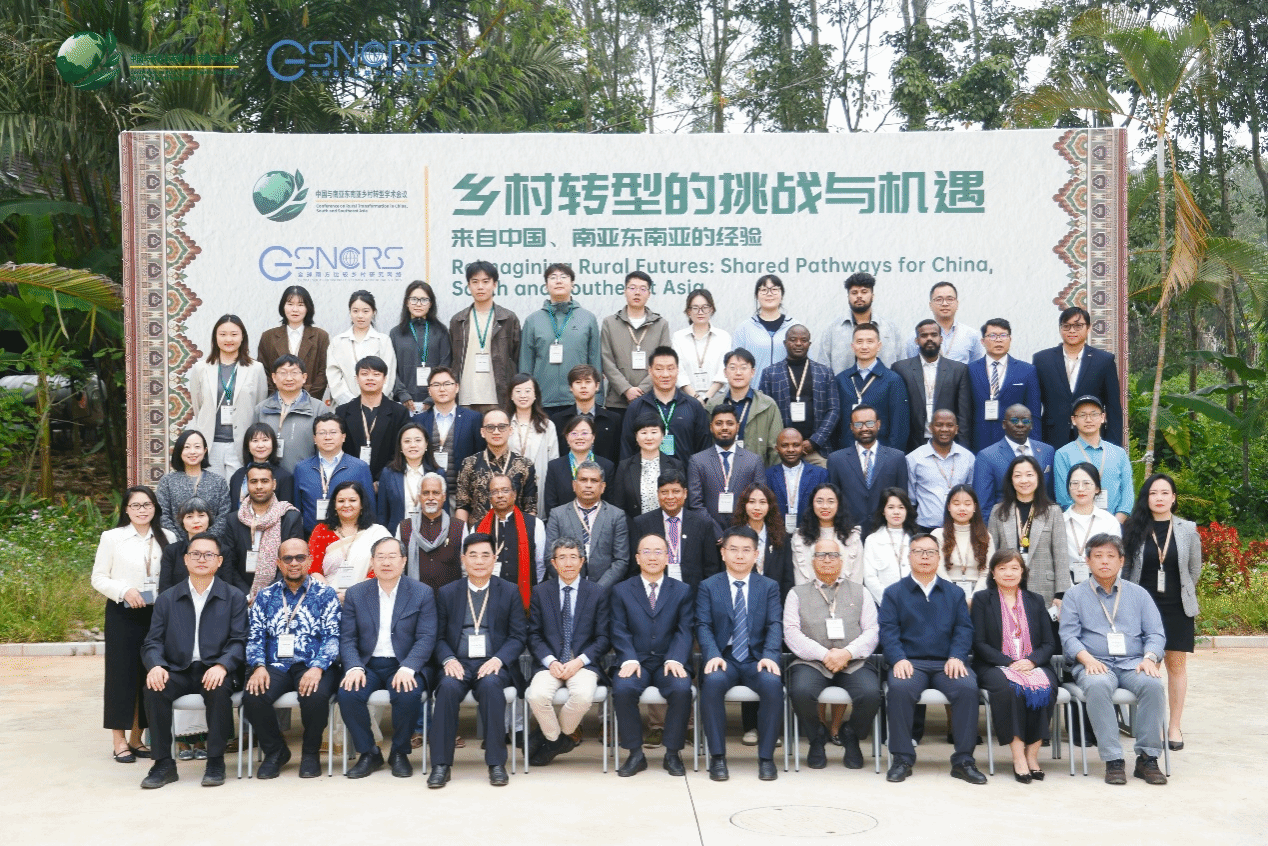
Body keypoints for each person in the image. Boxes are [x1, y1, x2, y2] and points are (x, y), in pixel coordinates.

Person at [139, 532, 247, 789]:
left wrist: (223, 665)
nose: (202, 559)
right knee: (154, 689)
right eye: (195, 554)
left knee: (218, 689)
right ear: (185, 560)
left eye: (209, 554)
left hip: (214, 668)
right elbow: (152, 641)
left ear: (219, 561)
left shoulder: (233, 597)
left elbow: (240, 640)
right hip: (177, 669)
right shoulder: (167, 598)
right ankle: (163, 763)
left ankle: (215, 761)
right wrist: (156, 665)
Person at [1059, 533, 1168, 785]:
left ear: (1121, 561)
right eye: (1098, 556)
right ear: (1088, 561)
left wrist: (1149, 658)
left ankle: (1147, 758)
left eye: (1110, 556)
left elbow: (1155, 633)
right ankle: (1113, 759)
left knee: (1153, 685)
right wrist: (1087, 660)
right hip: (1094, 663)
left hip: (1133, 663)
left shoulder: (1139, 594)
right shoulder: (1074, 595)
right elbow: (1068, 636)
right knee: (1097, 686)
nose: (1104, 561)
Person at [879, 533, 986, 785]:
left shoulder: (954, 593)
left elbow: (964, 629)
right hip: (910, 663)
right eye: (918, 552)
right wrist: (898, 659)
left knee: (967, 688)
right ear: (909, 557)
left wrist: (957, 656)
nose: (924, 557)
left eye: (930, 552)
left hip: (946, 662)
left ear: (939, 557)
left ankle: (963, 761)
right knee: (899, 688)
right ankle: (902, 759)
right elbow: (888, 631)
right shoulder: (894, 593)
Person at [427, 533, 528, 788]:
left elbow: (518, 636)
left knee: (492, 687)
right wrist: (448, 659)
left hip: (492, 663)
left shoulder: (509, 591)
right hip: (458, 662)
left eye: (485, 555)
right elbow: (437, 636)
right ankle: (441, 765)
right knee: (447, 688)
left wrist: (499, 659)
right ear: (463, 559)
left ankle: (496, 764)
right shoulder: (448, 592)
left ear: (494, 559)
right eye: (473, 555)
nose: (479, 561)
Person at [337, 537, 437, 779]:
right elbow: (347, 638)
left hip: (403, 664)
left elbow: (426, 637)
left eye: (392, 556)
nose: (386, 562)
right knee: (348, 693)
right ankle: (369, 752)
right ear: (372, 562)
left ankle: (400, 753)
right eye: (380, 557)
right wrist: (354, 667)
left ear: (404, 561)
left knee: (408, 693)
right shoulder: (357, 593)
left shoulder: (421, 592)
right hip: (367, 664)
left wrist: (409, 667)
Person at [242, 538, 341, 779]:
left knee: (315, 696)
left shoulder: (325, 594)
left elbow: (333, 637)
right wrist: (258, 666)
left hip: (313, 663)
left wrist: (318, 667)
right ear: (279, 563)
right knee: (253, 696)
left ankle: (310, 753)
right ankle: (276, 751)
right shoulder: (265, 596)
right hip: (274, 664)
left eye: (300, 557)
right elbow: (255, 636)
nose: (294, 563)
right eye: (287, 558)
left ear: (309, 560)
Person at [92, 486, 175, 763]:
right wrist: (124, 590)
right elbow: (98, 577)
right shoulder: (113, 538)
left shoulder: (168, 537)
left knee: (148, 674)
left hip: (157, 616)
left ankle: (137, 739)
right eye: (136, 505)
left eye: (147, 504)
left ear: (155, 508)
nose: (142, 510)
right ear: (126, 509)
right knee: (121, 676)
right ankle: (119, 741)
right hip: (123, 613)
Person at [696, 525, 785, 782]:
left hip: (756, 659)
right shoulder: (708, 586)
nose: (739, 555)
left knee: (772, 684)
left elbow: (775, 624)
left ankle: (766, 758)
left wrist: (770, 655)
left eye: (746, 550)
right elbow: (703, 625)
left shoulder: (768, 586)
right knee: (712, 683)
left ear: (756, 555)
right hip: (724, 658)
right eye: (733, 549)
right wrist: (712, 654)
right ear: (723, 553)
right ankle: (717, 758)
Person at [784, 536, 882, 770]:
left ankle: (851, 735)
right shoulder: (796, 593)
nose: (827, 560)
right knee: (801, 691)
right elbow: (791, 632)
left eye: (833, 555)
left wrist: (846, 653)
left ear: (841, 561)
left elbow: (872, 631)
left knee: (871, 693)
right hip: (812, 662)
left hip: (853, 662)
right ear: (812, 561)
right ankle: (817, 737)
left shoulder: (861, 592)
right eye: (821, 555)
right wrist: (824, 655)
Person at [1122, 474, 1203, 751]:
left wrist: (1182, 593)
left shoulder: (1187, 529)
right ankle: (1151, 725)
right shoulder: (1134, 528)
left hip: (1177, 608)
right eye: (1153, 493)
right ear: (1146, 498)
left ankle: (1174, 726)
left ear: (1173, 497)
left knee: (1176, 667)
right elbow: (1126, 570)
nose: (1159, 498)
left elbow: (1194, 570)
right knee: (1148, 667)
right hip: (1142, 609)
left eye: (1165, 492)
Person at [971, 550, 1059, 783]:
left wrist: (1031, 661)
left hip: (1032, 662)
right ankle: (1018, 756)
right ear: (993, 573)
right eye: (1002, 568)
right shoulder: (982, 599)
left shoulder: (1035, 600)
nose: (1008, 573)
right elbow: (978, 643)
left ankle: (1033, 755)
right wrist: (1010, 663)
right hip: (995, 664)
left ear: (1022, 572)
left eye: (1014, 568)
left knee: (1047, 687)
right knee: (1010, 689)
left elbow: (1049, 643)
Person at [611, 534, 695, 777]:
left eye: (658, 552)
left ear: (668, 558)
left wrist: (676, 658)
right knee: (623, 688)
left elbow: (685, 629)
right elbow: (618, 628)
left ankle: (672, 754)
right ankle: (635, 754)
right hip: (635, 659)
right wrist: (628, 657)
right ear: (637, 558)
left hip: (668, 660)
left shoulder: (682, 590)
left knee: (681, 688)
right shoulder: (621, 590)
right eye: (646, 552)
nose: (652, 557)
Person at [525, 538, 612, 767]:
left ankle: (549, 739)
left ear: (582, 561)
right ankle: (560, 740)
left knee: (583, 697)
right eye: (562, 557)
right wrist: (550, 661)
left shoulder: (597, 592)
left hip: (583, 664)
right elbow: (533, 635)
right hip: (550, 663)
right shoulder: (541, 592)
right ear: (554, 563)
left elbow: (603, 638)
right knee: (536, 696)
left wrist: (579, 662)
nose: (568, 563)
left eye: (573, 557)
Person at [188, 314, 269, 478]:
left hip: (241, 444)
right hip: (211, 444)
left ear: (242, 337)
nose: (228, 339)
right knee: (211, 490)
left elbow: (259, 406)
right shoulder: (201, 368)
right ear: (215, 337)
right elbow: (198, 407)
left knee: (240, 491)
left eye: (234, 334)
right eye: (223, 334)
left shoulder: (256, 369)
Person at [1033, 306, 1123, 449]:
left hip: (1092, 436)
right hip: (1052, 437)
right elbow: (1034, 405)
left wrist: (1114, 447)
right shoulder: (1042, 360)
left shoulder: (1104, 360)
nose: (1072, 331)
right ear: (1060, 329)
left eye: (1078, 326)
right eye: (1066, 326)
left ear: (1088, 328)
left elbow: (1113, 408)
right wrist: (1034, 442)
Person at [519, 263, 602, 415]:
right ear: (546, 286)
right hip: (542, 400)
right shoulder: (533, 320)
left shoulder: (587, 318)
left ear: (572, 284)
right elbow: (526, 364)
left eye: (564, 277)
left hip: (579, 401)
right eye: (553, 277)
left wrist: (598, 400)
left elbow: (595, 361)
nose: (558, 281)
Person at [987, 455, 1069, 606]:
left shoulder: (1053, 511)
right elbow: (991, 554)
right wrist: (990, 589)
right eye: (1018, 476)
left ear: (1038, 478)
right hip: (1006, 587)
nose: (1024, 480)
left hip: (1044, 589)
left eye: (1029, 475)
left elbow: (1061, 555)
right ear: (1011, 480)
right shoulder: (998, 512)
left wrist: (1061, 593)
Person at [758, 325, 839, 467]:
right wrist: (784, 444)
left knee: (825, 478)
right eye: (793, 339)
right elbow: (765, 414)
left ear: (809, 344)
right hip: (782, 451)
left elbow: (834, 410)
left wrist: (815, 441)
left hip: (816, 450)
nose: (798, 343)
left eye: (804, 340)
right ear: (785, 343)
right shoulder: (770, 373)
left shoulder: (825, 372)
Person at [449, 260, 522, 412]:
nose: (480, 287)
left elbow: (517, 358)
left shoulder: (508, 319)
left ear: (495, 284)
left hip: (498, 397)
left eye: (485, 281)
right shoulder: (458, 321)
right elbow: (452, 360)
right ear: (468, 286)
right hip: (465, 398)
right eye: (475, 282)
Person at [600, 270, 671, 425]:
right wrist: (626, 389)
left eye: (642, 289)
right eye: (632, 288)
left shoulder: (660, 324)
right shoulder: (610, 323)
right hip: (617, 401)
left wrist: (642, 390)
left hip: (651, 399)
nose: (637, 292)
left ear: (649, 294)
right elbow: (606, 361)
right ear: (625, 291)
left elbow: (664, 362)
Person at [827, 405, 909, 537]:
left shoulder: (897, 458)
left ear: (878, 424)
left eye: (869, 423)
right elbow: (833, 499)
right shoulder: (836, 459)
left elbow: (903, 499)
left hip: (886, 532)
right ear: (851, 427)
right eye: (858, 424)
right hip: (849, 533)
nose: (864, 428)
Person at [632, 468, 722, 588]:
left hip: (693, 592)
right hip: (654, 590)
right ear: (658, 494)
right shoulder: (642, 523)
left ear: (685, 493)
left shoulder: (702, 524)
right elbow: (635, 567)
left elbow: (711, 567)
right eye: (664, 492)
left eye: (676, 491)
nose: (670, 497)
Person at [619, 346, 710, 465]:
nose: (665, 374)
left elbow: (704, 449)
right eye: (659, 369)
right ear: (650, 371)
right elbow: (626, 449)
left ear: (677, 370)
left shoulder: (694, 406)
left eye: (670, 368)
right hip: (646, 475)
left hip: (685, 475)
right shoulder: (636, 407)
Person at [544, 461, 629, 588]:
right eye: (583, 480)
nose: (588, 485)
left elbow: (621, 560)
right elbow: (549, 556)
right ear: (574, 485)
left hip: (604, 590)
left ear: (603, 487)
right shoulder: (558, 514)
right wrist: (572, 584)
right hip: (567, 588)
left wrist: (598, 590)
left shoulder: (616, 515)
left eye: (594, 481)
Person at [892, 320, 973, 451]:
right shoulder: (901, 368)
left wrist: (963, 449)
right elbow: (897, 413)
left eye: (934, 335)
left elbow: (963, 415)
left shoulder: (958, 370)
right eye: (924, 335)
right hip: (912, 444)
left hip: (948, 443)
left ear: (941, 339)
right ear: (917, 340)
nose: (929, 338)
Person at [227, 461, 304, 599]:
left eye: (264, 481)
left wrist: (266, 595)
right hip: (242, 597)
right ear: (247, 485)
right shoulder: (234, 520)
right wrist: (246, 595)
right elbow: (229, 564)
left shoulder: (290, 517)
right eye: (254, 481)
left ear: (274, 484)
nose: (259, 486)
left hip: (281, 594)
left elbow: (292, 562)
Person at [292, 413, 376, 534]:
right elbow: (296, 509)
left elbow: (369, 508)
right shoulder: (302, 468)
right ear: (314, 438)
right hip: (310, 537)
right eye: (322, 433)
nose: (328, 437)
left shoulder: (360, 467)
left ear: (343, 437)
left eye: (333, 432)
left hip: (350, 537)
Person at [688, 404, 766, 533]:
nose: (724, 427)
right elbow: (695, 504)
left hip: (744, 533)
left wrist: (741, 532)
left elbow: (759, 501)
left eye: (730, 423)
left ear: (737, 427)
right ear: (711, 427)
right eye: (719, 423)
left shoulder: (753, 461)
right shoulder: (697, 461)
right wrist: (716, 533)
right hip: (709, 535)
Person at [1054, 395, 1133, 520]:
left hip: (1115, 524)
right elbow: (1063, 497)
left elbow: (1127, 493)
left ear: (1103, 417)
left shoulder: (1119, 453)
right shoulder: (1063, 454)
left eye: (1094, 414)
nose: (1088, 419)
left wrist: (1115, 523)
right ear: (1074, 420)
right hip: (1079, 524)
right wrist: (1086, 524)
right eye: (1082, 415)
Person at [307, 480, 391, 598]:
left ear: (362, 504)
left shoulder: (377, 533)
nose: (346, 505)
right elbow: (313, 569)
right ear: (334, 505)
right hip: (327, 598)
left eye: (352, 500)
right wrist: (332, 596)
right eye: (341, 501)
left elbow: (383, 567)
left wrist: (355, 595)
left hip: (367, 596)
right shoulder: (321, 530)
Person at [454, 409, 538, 526]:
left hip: (515, 531)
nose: (496, 432)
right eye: (490, 427)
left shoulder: (525, 465)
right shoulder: (469, 464)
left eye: (502, 427)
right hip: (479, 533)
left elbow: (530, 508)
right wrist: (462, 535)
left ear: (510, 430)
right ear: (482, 432)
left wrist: (527, 534)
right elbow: (462, 506)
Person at [969, 318, 1043, 451]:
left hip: (1015, 441)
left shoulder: (1026, 371)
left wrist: (1035, 448)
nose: (998, 340)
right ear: (982, 341)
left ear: (1010, 339)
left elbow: (1034, 414)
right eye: (992, 336)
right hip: (978, 440)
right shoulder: (970, 370)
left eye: (1003, 335)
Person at [474, 473, 547, 608]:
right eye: (495, 492)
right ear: (489, 498)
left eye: (505, 490)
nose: (500, 495)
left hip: (525, 599)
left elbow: (540, 565)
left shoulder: (535, 524)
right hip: (488, 600)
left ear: (514, 494)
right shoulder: (477, 528)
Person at [834, 323, 908, 450]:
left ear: (879, 346)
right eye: (859, 342)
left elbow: (899, 426)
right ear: (853, 346)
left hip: (881, 452)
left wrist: (892, 456)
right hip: (847, 452)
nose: (864, 347)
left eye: (870, 342)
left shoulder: (893, 380)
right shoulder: (841, 379)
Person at [972, 403, 1055, 518]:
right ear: (1004, 424)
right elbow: (983, 506)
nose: (1020, 425)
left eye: (1025, 421)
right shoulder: (986, 456)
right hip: (1005, 521)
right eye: (1014, 420)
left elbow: (1050, 495)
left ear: (1031, 425)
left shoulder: (1047, 451)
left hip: (1043, 520)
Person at [335, 355, 410, 481]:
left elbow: (402, 451)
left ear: (385, 379)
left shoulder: (399, 412)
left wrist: (381, 480)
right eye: (364, 374)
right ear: (357, 379)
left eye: (376, 374)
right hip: (349, 481)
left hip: (387, 480)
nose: (370, 378)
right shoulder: (342, 412)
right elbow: (338, 450)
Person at [413, 366, 485, 493]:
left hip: (462, 493)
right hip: (428, 494)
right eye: (436, 385)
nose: (442, 389)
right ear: (429, 391)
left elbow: (480, 456)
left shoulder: (473, 419)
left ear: (456, 387)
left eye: (447, 384)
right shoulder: (418, 420)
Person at [707, 347, 783, 466]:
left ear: (752, 372)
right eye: (733, 368)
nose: (738, 373)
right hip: (721, 470)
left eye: (743, 368)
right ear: (725, 372)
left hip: (757, 472)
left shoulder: (767, 405)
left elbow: (775, 448)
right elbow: (708, 445)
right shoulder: (712, 405)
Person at [253, 353, 327, 475]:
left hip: (304, 476)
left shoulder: (318, 408)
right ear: (274, 377)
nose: (289, 378)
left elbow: (324, 448)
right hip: (268, 478)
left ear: (304, 377)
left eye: (294, 373)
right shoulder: (261, 409)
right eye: (283, 373)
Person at [155, 430, 232, 542]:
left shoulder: (219, 482)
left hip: (212, 545)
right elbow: (163, 515)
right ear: (179, 451)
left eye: (197, 447)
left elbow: (224, 516)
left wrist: (206, 540)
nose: (192, 452)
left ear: (205, 450)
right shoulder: (167, 481)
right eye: (187, 447)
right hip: (176, 545)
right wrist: (181, 543)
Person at [257, 285, 330, 401]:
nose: (295, 309)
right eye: (290, 304)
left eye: (300, 305)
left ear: (308, 308)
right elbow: (263, 372)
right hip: (276, 402)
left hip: (310, 402)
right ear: (283, 306)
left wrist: (308, 400)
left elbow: (323, 371)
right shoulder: (268, 336)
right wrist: (276, 398)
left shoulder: (320, 336)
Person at [906, 409, 974, 531]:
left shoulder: (968, 457)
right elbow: (910, 500)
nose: (944, 429)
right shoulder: (914, 458)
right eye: (939, 425)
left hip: (960, 527)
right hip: (925, 528)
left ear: (956, 429)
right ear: (930, 428)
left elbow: (971, 492)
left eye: (950, 425)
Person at [325, 290, 397, 407]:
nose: (360, 316)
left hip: (378, 407)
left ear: (374, 312)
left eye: (365, 311)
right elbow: (334, 377)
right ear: (350, 312)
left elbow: (388, 376)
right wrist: (351, 403)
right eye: (355, 311)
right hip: (345, 407)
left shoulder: (383, 341)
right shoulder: (338, 342)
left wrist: (372, 401)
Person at [610, 412, 687, 521]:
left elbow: (682, 502)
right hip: (634, 527)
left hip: (669, 525)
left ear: (663, 435)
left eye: (654, 432)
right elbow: (618, 505)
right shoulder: (624, 466)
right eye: (643, 432)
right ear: (636, 436)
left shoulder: (675, 465)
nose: (649, 437)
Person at [390, 280, 452, 413]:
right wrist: (402, 394)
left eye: (424, 300)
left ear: (431, 304)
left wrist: (433, 396)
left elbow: (446, 365)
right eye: (414, 299)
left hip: (435, 403)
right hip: (403, 403)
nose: (418, 304)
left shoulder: (441, 332)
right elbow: (391, 368)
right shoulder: (396, 333)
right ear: (407, 302)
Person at [821, 272, 902, 373]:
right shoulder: (832, 330)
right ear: (848, 297)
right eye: (854, 293)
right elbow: (823, 368)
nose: (859, 296)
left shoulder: (890, 329)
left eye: (864, 292)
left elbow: (901, 365)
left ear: (872, 296)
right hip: (842, 383)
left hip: (885, 383)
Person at [401, 472, 466, 592]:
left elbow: (466, 568)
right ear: (419, 497)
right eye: (426, 493)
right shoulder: (404, 527)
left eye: (436, 493)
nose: (430, 497)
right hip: (415, 597)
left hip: (451, 598)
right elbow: (399, 568)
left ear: (444, 496)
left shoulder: (459, 527)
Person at [542, 415, 615, 518]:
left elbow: (610, 502)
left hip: (599, 523)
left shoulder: (607, 466)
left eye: (584, 433)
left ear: (593, 437)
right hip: (563, 524)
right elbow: (550, 504)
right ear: (567, 438)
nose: (579, 437)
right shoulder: (554, 466)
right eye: (574, 433)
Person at [791, 483, 862, 587]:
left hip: (847, 596)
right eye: (819, 501)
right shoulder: (800, 537)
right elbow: (800, 581)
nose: (825, 506)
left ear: (839, 504)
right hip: (809, 596)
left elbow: (856, 580)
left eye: (831, 501)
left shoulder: (852, 537)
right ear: (812, 504)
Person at [549, 364, 622, 464]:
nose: (583, 386)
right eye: (578, 382)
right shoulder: (558, 419)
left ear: (597, 386)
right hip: (568, 472)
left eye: (588, 382)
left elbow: (618, 454)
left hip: (605, 472)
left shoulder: (613, 419)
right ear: (571, 387)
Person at [933, 485, 995, 603]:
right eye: (956, 504)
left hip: (978, 597)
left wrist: (974, 598)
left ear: (975, 507)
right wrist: (956, 596)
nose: (962, 508)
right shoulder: (938, 535)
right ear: (949, 507)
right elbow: (939, 569)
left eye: (967, 504)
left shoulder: (986, 536)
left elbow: (986, 573)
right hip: (945, 595)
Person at [376, 422, 440, 536]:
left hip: (431, 537)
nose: (413, 445)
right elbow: (382, 514)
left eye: (418, 440)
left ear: (426, 444)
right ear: (400, 446)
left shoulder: (438, 473)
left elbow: (443, 512)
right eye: (407, 441)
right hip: (396, 536)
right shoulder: (388, 474)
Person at [1062, 463, 1121, 587]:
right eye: (1075, 483)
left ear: (1097, 488)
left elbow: (1115, 559)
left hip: (1103, 584)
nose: (1080, 489)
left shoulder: (1109, 521)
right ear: (1068, 488)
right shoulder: (1060, 521)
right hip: (1066, 583)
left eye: (1087, 483)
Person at [505, 373, 558, 509]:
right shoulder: (503, 423)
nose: (523, 395)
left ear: (535, 395)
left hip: (539, 485)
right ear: (511, 395)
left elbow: (554, 461)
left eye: (528, 391)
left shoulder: (547, 425)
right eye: (518, 391)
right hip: (509, 485)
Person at [734, 482, 794, 598]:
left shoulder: (781, 537)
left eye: (762, 502)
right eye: (752, 502)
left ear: (770, 506)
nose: (757, 507)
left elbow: (788, 579)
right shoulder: (733, 536)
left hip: (773, 601)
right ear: (744, 504)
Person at [902, 282, 983, 364]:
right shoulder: (916, 335)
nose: (945, 304)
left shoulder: (972, 335)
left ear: (957, 303)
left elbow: (976, 367)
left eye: (950, 299)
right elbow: (910, 367)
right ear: (930, 305)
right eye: (939, 300)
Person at [731, 274, 797, 376]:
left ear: (782, 295)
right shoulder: (744, 329)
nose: (769, 294)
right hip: (755, 386)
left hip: (787, 386)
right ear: (757, 296)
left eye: (774, 289)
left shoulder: (795, 327)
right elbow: (735, 366)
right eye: (764, 290)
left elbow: (806, 364)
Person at [765, 428, 828, 532]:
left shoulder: (820, 474)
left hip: (811, 534)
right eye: (784, 445)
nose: (791, 449)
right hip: (777, 534)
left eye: (796, 445)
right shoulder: (768, 475)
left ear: (803, 447)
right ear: (777, 448)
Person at [673, 288, 729, 402]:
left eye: (705, 307)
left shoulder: (723, 337)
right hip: (686, 400)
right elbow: (678, 371)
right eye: (695, 308)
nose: (700, 312)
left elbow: (724, 370)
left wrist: (707, 397)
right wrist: (696, 398)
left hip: (716, 400)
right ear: (688, 311)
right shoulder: (678, 337)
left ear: (711, 309)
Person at [862, 488, 915, 606]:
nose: (896, 512)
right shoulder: (872, 540)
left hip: (914, 605)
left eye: (901, 507)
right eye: (890, 507)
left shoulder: (916, 539)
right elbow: (870, 578)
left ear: (907, 510)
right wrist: (889, 603)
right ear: (883, 511)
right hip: (884, 605)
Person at [227, 422, 294, 505]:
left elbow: (287, 510)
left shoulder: (284, 477)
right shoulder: (238, 475)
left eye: (265, 440)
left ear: (273, 444)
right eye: (255, 441)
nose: (260, 445)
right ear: (247, 446)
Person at [158, 498, 213, 595]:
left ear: (209, 519)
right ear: (182, 521)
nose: (196, 521)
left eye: (201, 515)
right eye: (189, 517)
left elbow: (226, 588)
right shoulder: (171, 551)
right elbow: (165, 589)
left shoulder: (222, 551)